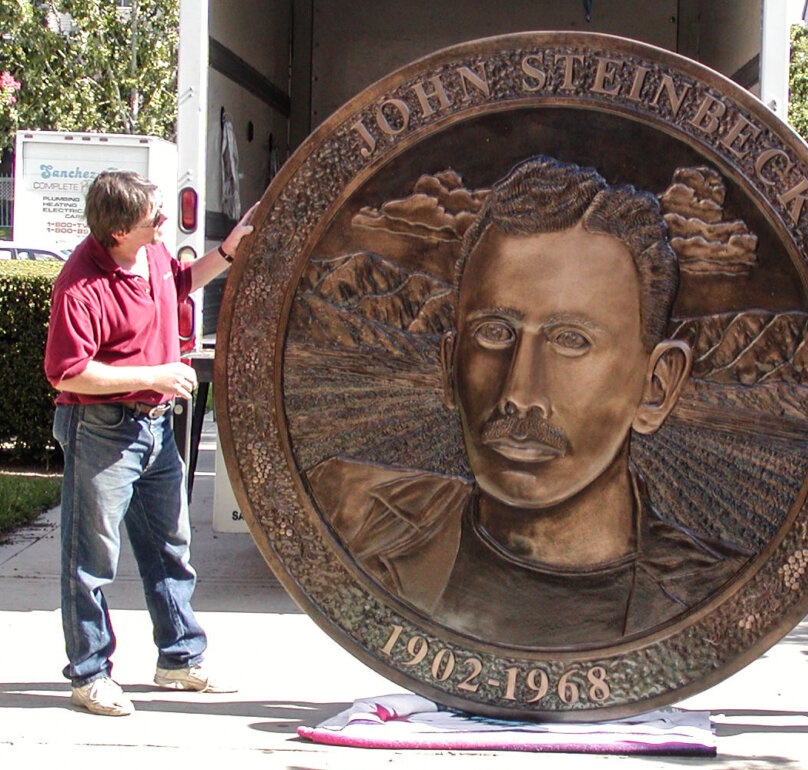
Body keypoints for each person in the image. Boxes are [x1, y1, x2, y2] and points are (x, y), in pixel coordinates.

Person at [307, 157, 749, 646]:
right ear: (451, 366)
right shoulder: (345, 511)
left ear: (657, 386)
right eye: (494, 333)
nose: (519, 394)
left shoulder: (724, 595)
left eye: (571, 340)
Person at [44, 170, 257, 716]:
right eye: (154, 217)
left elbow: (183, 280)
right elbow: (67, 374)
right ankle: (89, 674)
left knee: (169, 549)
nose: (165, 221)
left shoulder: (153, 257)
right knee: (90, 559)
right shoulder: (81, 284)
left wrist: (229, 251)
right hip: (101, 431)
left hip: (154, 428)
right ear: (117, 231)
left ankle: (179, 660)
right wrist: (154, 375)